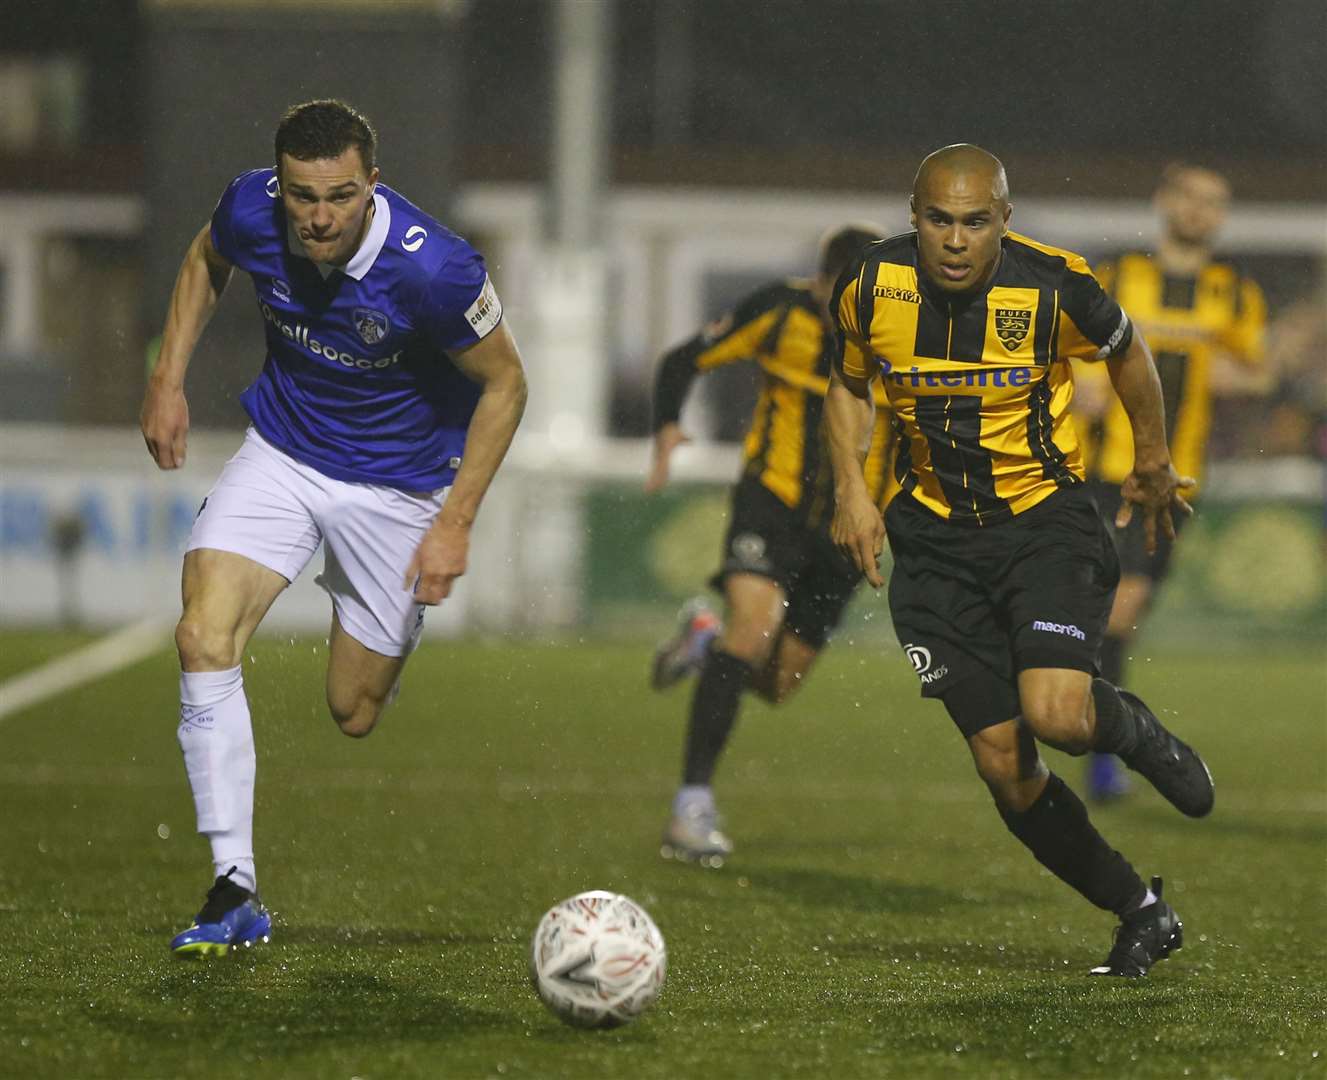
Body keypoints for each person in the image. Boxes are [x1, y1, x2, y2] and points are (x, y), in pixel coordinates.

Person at [139, 100, 527, 956]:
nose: (318, 217)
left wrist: (454, 523)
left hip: (399, 490)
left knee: (352, 710)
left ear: (372, 186)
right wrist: (168, 377)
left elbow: (507, 386)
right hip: (282, 451)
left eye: (341, 197)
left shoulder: (436, 272)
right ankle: (232, 885)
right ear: (280, 185)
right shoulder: (251, 210)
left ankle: (381, 620)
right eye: (302, 196)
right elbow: (206, 257)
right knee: (203, 636)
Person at [826, 144, 1213, 978]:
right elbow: (848, 385)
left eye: (974, 222)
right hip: (931, 546)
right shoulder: (869, 285)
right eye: (938, 220)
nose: (955, 241)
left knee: (1059, 716)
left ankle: (1135, 731)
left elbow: (1128, 351)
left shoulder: (1053, 285)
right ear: (912, 215)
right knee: (1004, 765)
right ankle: (1140, 912)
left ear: (1005, 220)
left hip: (1043, 525)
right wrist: (851, 495)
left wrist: (1151, 454)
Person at [645, 224, 893, 867]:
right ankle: (691, 806)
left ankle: (704, 640)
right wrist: (669, 425)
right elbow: (682, 360)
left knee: (777, 683)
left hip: (846, 529)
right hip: (772, 500)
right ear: (819, 285)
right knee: (753, 630)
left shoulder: (908, 335)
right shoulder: (779, 312)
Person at [1071, 163, 1267, 800]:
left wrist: (1207, 371)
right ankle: (1101, 749)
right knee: (1116, 606)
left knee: (1123, 614)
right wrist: (1088, 385)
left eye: (1215, 202)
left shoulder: (1232, 292)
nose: (1201, 211)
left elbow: (1258, 372)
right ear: (1164, 203)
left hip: (1177, 480)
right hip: (1104, 473)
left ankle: (1083, 719)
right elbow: (1068, 351)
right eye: (1191, 198)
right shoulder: (1119, 277)